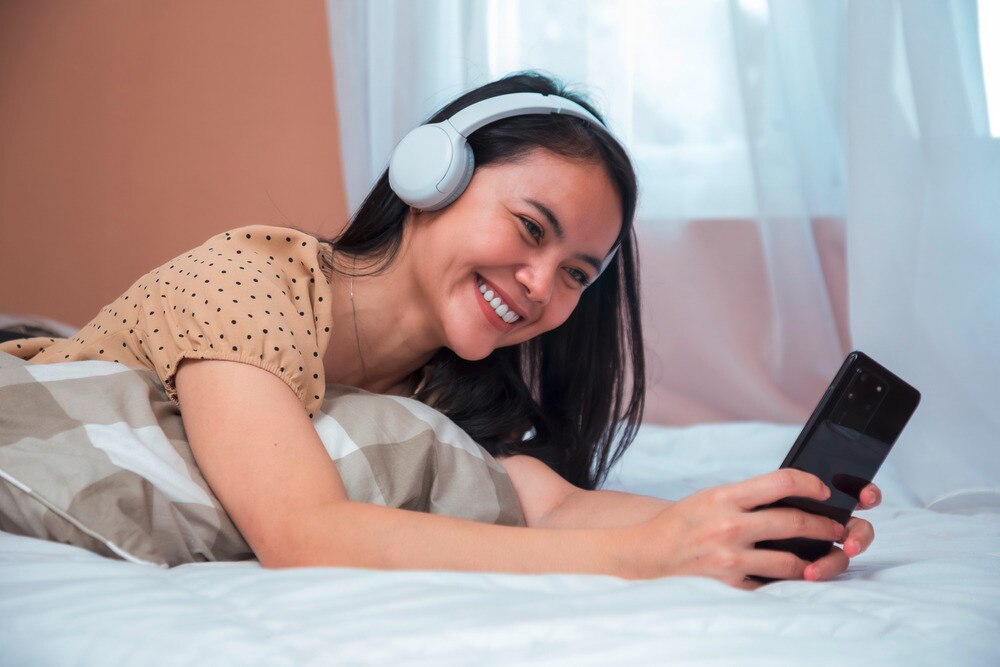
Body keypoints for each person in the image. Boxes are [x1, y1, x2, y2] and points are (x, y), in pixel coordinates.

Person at [0, 71, 880, 588]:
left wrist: (738, 526)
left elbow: (553, 504)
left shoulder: (450, 390)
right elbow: (304, 536)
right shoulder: (248, 280)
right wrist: (641, 555)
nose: (541, 287)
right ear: (433, 176)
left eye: (577, 273)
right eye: (531, 228)